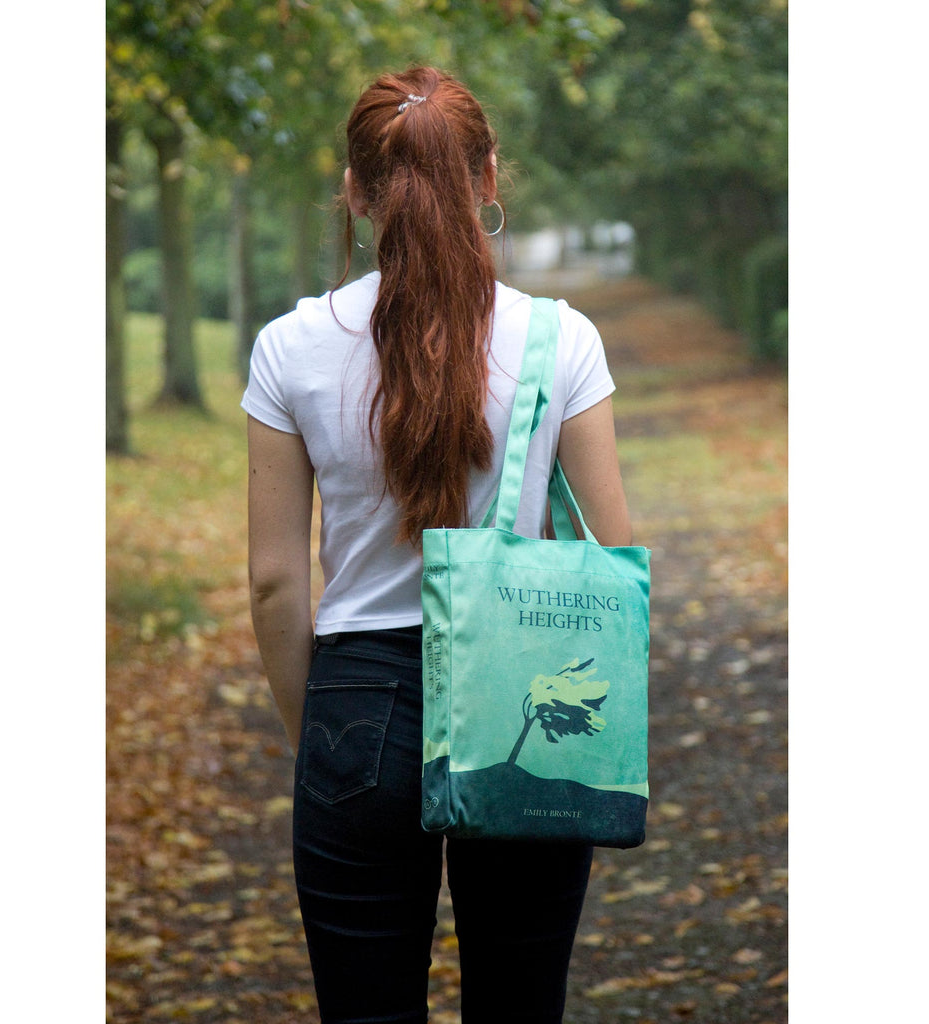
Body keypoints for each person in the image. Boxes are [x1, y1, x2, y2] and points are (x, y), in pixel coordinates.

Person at [242, 66, 633, 1024]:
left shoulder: (289, 348)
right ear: (490, 177)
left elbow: (272, 582)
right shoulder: (561, 341)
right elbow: (613, 554)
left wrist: (319, 742)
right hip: (524, 700)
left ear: (355, 191)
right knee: (520, 1000)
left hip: (356, 703)